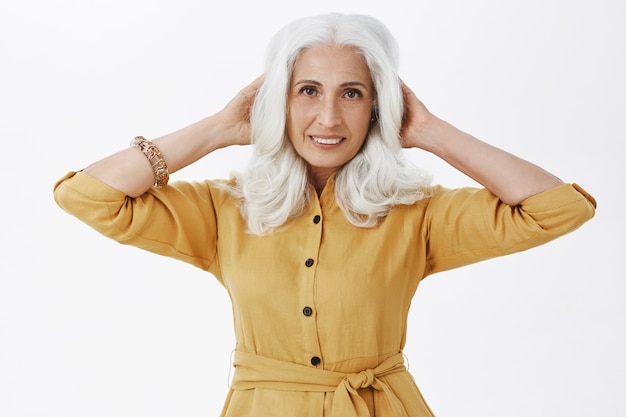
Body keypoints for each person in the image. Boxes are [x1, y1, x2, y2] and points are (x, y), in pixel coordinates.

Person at [54, 12, 596, 417]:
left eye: (353, 94)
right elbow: (86, 196)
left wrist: (429, 132)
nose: (328, 117)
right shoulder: (225, 210)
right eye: (307, 91)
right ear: (278, 101)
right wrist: (219, 129)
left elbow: (558, 209)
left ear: (379, 105)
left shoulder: (415, 215)